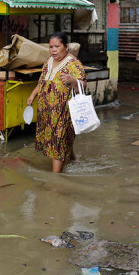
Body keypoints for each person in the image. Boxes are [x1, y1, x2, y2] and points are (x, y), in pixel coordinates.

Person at [27, 32, 87, 173]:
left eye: (57, 46)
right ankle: (73, 160)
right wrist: (33, 95)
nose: (53, 49)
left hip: (63, 111)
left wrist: (72, 80)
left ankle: (55, 180)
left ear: (66, 47)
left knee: (57, 141)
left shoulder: (74, 63)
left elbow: (84, 85)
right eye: (51, 47)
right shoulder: (48, 60)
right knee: (61, 138)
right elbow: (42, 81)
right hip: (47, 110)